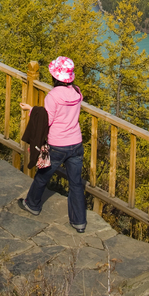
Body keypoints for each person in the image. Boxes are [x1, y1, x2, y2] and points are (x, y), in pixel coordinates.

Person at [18, 55, 87, 232]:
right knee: (76, 183)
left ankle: (32, 204)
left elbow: (46, 121)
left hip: (55, 144)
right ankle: (79, 221)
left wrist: (31, 110)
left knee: (42, 175)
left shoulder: (53, 96)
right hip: (76, 143)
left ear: (55, 76)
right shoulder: (77, 92)